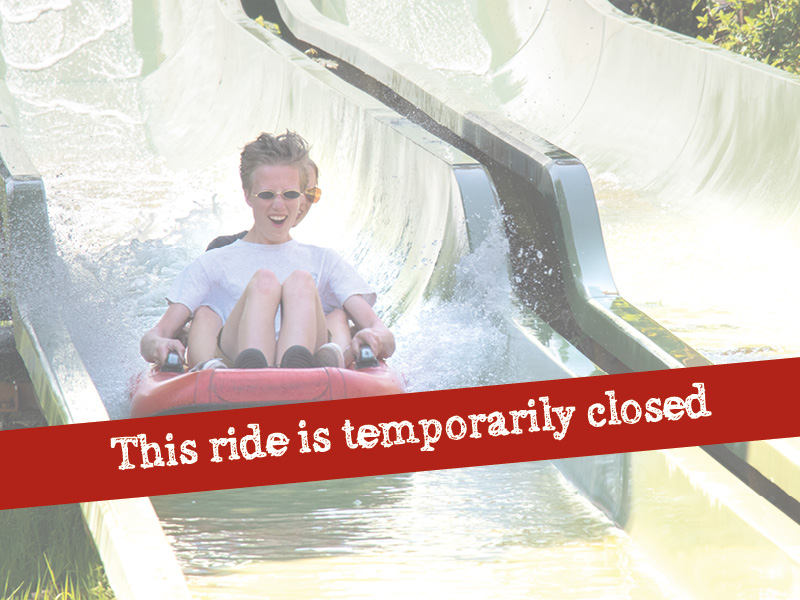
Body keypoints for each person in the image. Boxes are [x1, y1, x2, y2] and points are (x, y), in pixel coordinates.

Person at [140, 131, 394, 371]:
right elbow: (155, 335)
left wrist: (374, 338)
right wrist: (159, 344)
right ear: (248, 195)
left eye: (290, 194)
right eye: (267, 194)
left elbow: (383, 334)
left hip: (309, 361)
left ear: (302, 197)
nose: (279, 205)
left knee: (302, 281)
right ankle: (256, 371)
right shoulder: (213, 263)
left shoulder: (324, 261)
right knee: (264, 282)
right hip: (235, 361)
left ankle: (296, 369)